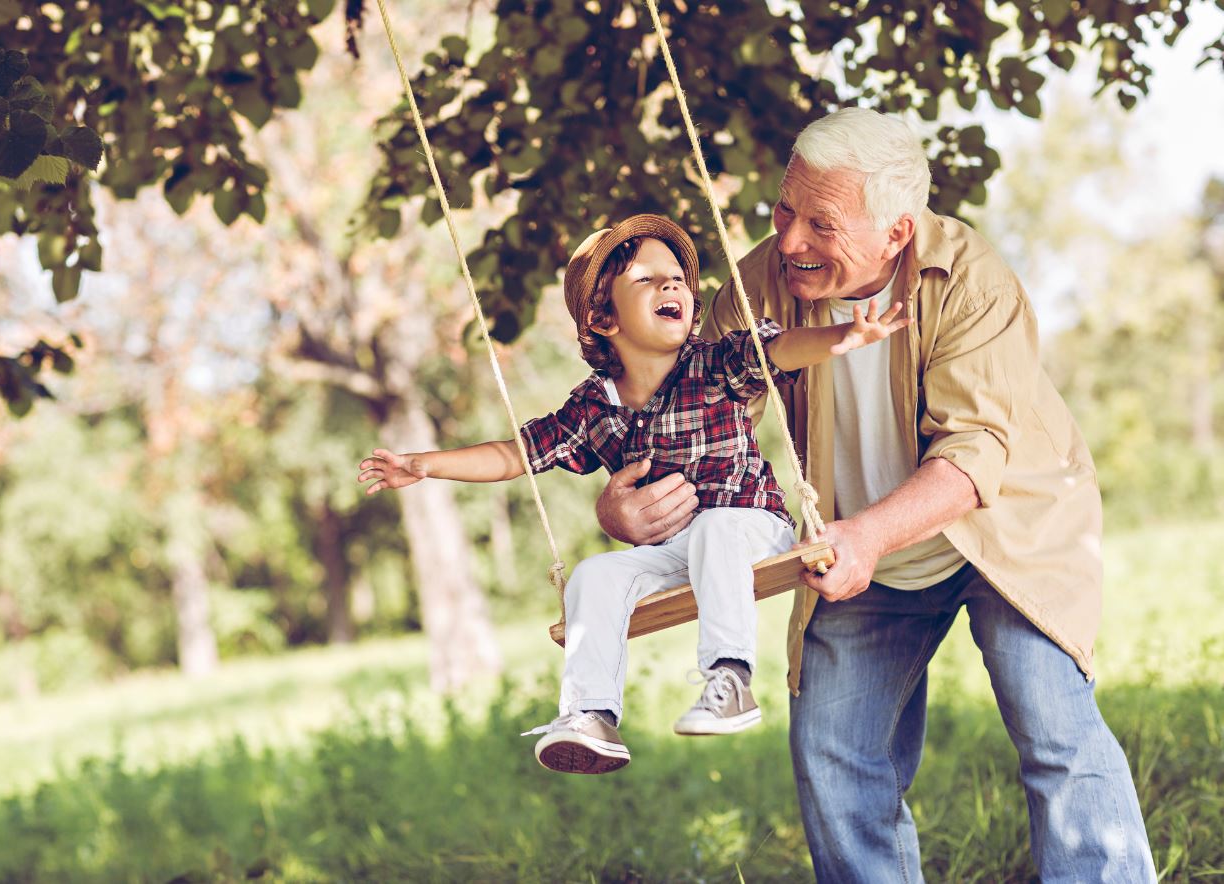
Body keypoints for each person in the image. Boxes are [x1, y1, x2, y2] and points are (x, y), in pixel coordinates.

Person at [594, 109, 1155, 880]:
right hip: (857, 547)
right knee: (833, 753)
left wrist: (866, 536)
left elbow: (973, 452)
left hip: (1003, 527)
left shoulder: (968, 277)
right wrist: (627, 507)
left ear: (895, 232)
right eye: (783, 210)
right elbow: (684, 419)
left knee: (1052, 726)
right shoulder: (759, 286)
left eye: (820, 224)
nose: (789, 241)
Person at [357, 214, 907, 776]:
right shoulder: (593, 406)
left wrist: (844, 337)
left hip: (750, 530)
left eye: (677, 279)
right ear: (603, 317)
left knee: (717, 529)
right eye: (647, 280)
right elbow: (515, 454)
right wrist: (425, 465)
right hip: (677, 551)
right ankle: (590, 715)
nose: (672, 287)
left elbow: (785, 349)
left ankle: (730, 679)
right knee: (594, 575)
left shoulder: (715, 363)